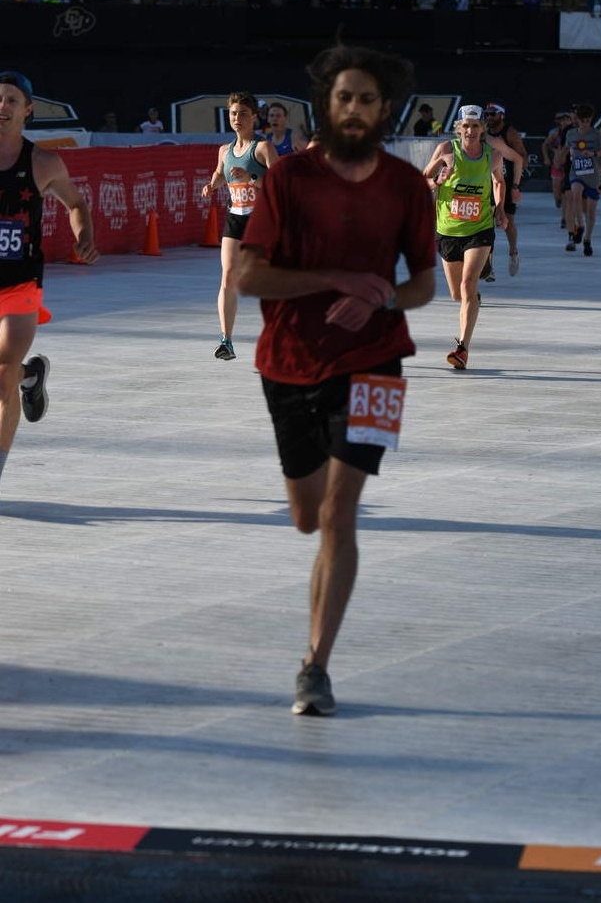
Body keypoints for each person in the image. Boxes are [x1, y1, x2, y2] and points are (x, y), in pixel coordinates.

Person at [237, 45, 436, 715]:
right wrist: (336, 280)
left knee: (339, 513)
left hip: (380, 361)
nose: (355, 109)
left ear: (386, 110)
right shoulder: (288, 179)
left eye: (368, 100)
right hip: (287, 361)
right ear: (327, 103)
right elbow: (247, 277)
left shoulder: (407, 188)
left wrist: (380, 298)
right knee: (306, 516)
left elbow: (422, 288)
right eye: (344, 97)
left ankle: (314, 666)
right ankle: (314, 658)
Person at [0, 70, 99, 487]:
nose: (1, 107)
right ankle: (32, 376)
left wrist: (84, 236)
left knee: (2, 372)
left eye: (10, 100)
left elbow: (76, 203)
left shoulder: (43, 163)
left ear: (28, 110)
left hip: (20, 284)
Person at [422, 105, 507, 370]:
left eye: (475, 126)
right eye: (466, 126)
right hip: (448, 230)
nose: (470, 131)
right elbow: (424, 178)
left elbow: (498, 182)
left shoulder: (492, 156)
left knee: (469, 284)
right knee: (458, 295)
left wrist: (500, 209)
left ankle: (462, 348)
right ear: (459, 128)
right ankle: (473, 296)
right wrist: (437, 182)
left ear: (483, 128)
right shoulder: (447, 150)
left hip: (480, 229)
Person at [201, 92, 278, 361]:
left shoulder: (263, 148)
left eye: (243, 113)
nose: (237, 118)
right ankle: (226, 341)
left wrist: (252, 177)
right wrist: (212, 185)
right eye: (233, 114)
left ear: (254, 117)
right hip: (236, 217)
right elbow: (220, 172)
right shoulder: (225, 150)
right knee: (228, 277)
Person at [559, 103, 601, 255]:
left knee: (591, 210)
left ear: (591, 119)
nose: (585, 123)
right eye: (582, 120)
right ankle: (579, 226)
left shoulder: (596, 134)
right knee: (574, 195)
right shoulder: (571, 134)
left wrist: (594, 154)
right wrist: (561, 158)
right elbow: (566, 148)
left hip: (592, 175)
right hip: (577, 172)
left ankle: (587, 239)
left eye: (588, 120)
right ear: (578, 120)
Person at [484, 102, 528, 276]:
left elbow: (522, 158)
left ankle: (513, 252)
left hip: (507, 182)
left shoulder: (509, 133)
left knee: (507, 222)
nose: (489, 117)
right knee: (487, 225)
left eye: (493, 114)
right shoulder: (484, 134)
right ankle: (488, 265)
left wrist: (516, 186)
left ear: (502, 115)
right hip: (488, 181)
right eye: (487, 114)